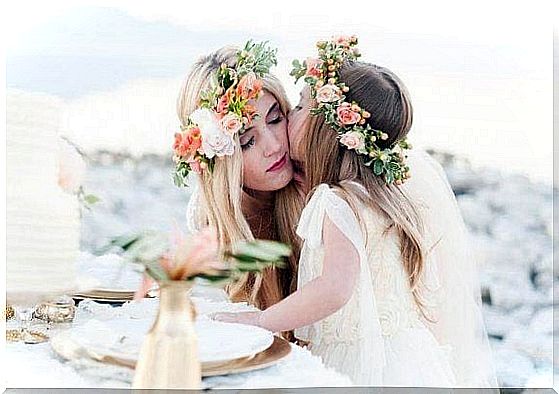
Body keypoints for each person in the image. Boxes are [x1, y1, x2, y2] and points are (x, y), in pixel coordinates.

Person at [214, 36, 498, 387]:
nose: (291, 118)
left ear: (327, 129)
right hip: (406, 357)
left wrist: (262, 322)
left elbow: (334, 288)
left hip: (358, 359)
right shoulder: (379, 195)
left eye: (299, 108)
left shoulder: (334, 200)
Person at [175, 41, 303, 318]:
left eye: (275, 119)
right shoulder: (214, 235)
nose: (273, 146)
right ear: (220, 160)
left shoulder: (321, 187)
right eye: (246, 142)